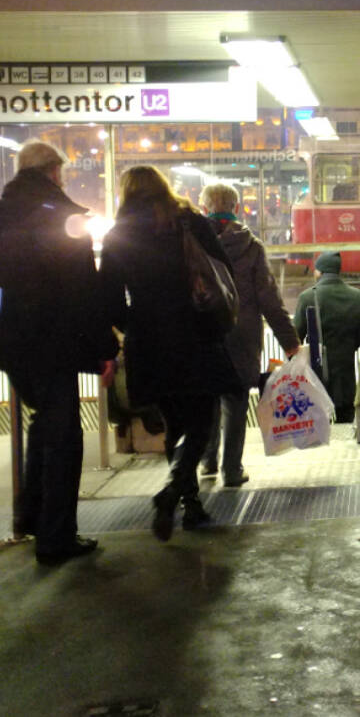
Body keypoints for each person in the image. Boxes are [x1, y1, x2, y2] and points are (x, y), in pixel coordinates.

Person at [0, 141, 117, 565]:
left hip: (4, 343)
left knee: (42, 425)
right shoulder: (63, 218)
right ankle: (56, 538)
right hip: (51, 343)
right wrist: (104, 348)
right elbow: (83, 291)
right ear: (54, 171)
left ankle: (32, 517)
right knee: (64, 438)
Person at [100, 166, 242, 542]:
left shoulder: (118, 234)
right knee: (202, 421)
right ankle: (174, 492)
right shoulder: (188, 221)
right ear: (164, 187)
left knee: (173, 423)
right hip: (195, 332)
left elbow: (109, 301)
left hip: (148, 339)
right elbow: (222, 271)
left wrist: (134, 325)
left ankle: (188, 502)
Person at [198, 183, 301, 486]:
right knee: (236, 401)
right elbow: (269, 300)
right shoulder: (251, 246)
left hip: (205, 332)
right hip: (241, 334)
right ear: (238, 209)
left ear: (203, 209)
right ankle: (232, 469)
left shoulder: (192, 243)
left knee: (207, 399)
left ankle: (207, 462)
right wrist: (291, 343)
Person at [294, 251, 360, 424]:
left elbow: (296, 336)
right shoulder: (356, 296)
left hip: (316, 375)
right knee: (346, 418)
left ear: (319, 271)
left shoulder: (307, 297)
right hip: (345, 374)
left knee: (318, 423)